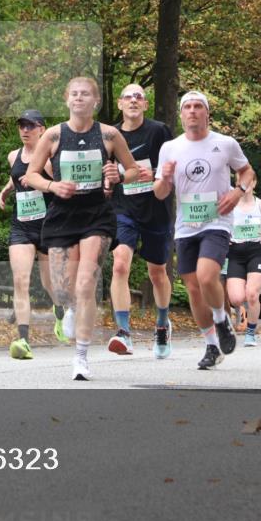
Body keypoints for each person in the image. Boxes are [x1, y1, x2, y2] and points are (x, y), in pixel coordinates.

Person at [23, 77, 140, 380]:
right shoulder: (52, 136)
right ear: (66, 100)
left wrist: (117, 176)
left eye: (85, 94)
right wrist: (53, 185)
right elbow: (31, 175)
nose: (79, 98)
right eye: (74, 94)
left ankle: (81, 357)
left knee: (87, 282)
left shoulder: (109, 135)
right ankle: (69, 309)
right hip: (62, 215)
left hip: (96, 213)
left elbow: (134, 170)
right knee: (64, 289)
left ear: (95, 101)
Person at [154, 91, 255, 370]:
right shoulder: (170, 148)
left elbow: (248, 172)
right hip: (186, 227)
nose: (193, 111)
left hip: (217, 221)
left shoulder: (225, 144)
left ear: (207, 113)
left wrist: (238, 192)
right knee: (194, 290)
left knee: (206, 274)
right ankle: (212, 345)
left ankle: (221, 319)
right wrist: (164, 177)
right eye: (187, 106)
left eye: (198, 106)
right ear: (182, 113)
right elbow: (160, 193)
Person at [105, 84, 175, 359]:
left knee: (157, 273)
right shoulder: (110, 134)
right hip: (123, 209)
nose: (133, 100)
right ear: (120, 104)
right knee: (120, 265)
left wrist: (153, 173)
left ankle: (162, 324)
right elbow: (106, 175)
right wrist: (107, 180)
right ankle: (123, 332)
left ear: (145, 105)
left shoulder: (158, 131)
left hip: (156, 208)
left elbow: (174, 165)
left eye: (139, 97)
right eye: (128, 97)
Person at [0, 109, 68, 360]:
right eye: (21, 126)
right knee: (21, 281)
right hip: (21, 227)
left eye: (30, 126)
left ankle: (59, 308)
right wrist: (6, 190)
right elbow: (15, 176)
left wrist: (38, 181)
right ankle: (23, 340)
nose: (25, 130)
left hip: (48, 227)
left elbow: (62, 189)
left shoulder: (50, 160)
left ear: (42, 130)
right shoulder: (13, 156)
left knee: (51, 284)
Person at [226, 181, 261, 346]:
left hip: (255, 252)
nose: (244, 185)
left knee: (252, 294)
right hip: (235, 252)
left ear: (254, 183)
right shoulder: (230, 204)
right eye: (239, 181)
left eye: (247, 181)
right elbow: (217, 222)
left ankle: (251, 332)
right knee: (236, 298)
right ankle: (240, 310)